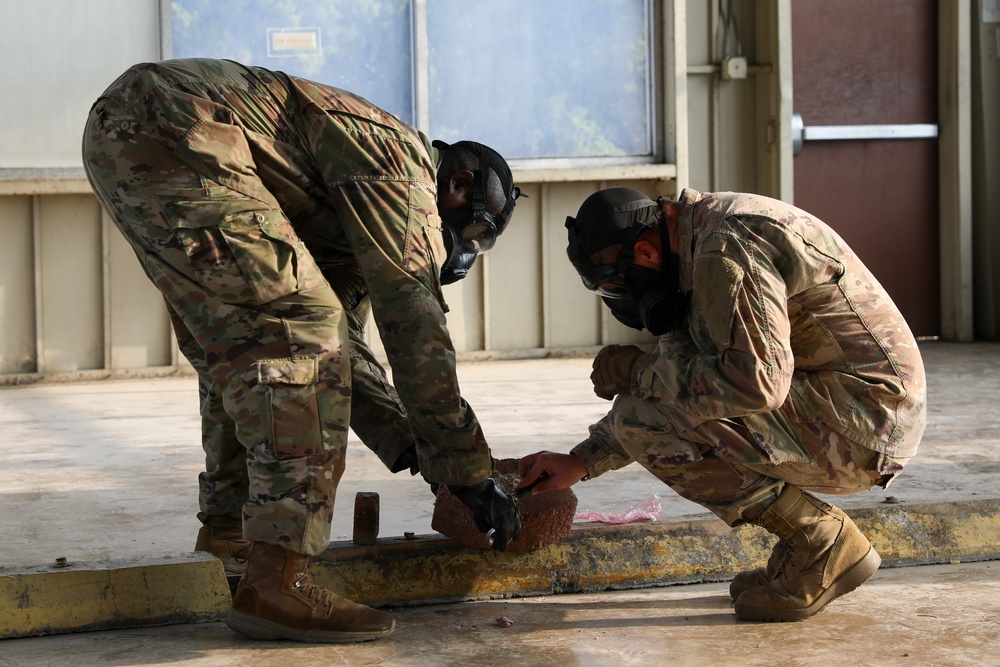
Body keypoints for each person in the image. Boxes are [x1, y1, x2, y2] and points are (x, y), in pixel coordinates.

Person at [82, 58, 523, 644]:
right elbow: (413, 324)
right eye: (462, 232)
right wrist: (466, 470)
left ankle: (228, 536)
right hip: (178, 127)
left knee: (246, 344)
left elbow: (352, 354)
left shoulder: (340, 209)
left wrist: (417, 449)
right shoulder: (402, 168)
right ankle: (277, 581)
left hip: (135, 131)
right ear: (458, 187)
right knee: (298, 332)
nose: (449, 246)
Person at [517, 187, 926, 622]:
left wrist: (635, 371)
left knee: (647, 412)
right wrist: (582, 461)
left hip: (865, 423)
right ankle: (808, 542)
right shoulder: (690, 244)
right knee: (658, 395)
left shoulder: (723, 249)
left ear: (644, 252)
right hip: (843, 406)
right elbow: (677, 373)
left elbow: (756, 384)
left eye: (615, 285)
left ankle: (819, 540)